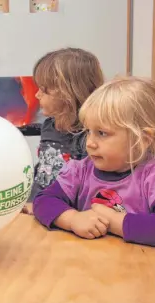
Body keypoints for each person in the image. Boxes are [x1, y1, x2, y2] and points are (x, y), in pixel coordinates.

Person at [33, 77, 155, 250]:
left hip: (143, 270)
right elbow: (43, 200)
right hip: (87, 268)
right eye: (88, 132)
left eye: (102, 133)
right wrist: (72, 219)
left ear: (143, 139)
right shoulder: (80, 170)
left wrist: (113, 220)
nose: (90, 143)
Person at [23, 48, 104, 214]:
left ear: (69, 93)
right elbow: (46, 166)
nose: (37, 95)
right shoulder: (48, 126)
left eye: (44, 90)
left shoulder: (89, 137)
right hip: (38, 205)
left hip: (66, 215)